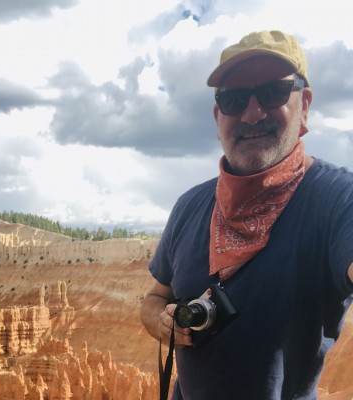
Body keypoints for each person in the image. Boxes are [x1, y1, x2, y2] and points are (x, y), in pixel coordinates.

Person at [141, 30, 353, 400]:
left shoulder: (335, 199)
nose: (252, 113)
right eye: (234, 99)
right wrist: (162, 322)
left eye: (272, 92)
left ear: (304, 104)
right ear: (217, 116)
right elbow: (154, 298)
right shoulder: (189, 206)